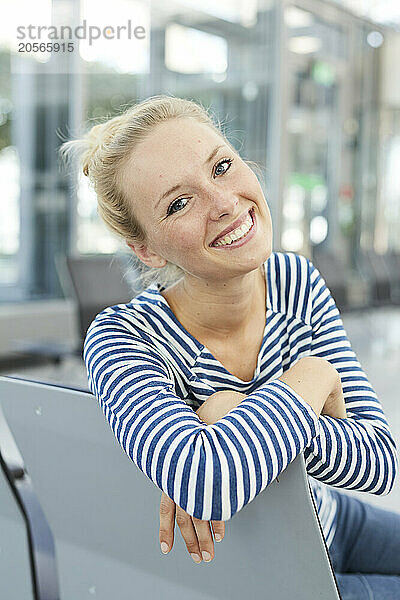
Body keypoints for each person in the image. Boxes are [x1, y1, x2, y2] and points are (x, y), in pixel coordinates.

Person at [61, 95, 399, 599]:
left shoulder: (295, 280)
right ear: (147, 248)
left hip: (329, 515)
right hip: (253, 572)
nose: (222, 204)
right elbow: (206, 485)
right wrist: (309, 380)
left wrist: (235, 417)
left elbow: (378, 461)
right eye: (178, 203)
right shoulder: (122, 337)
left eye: (221, 167)